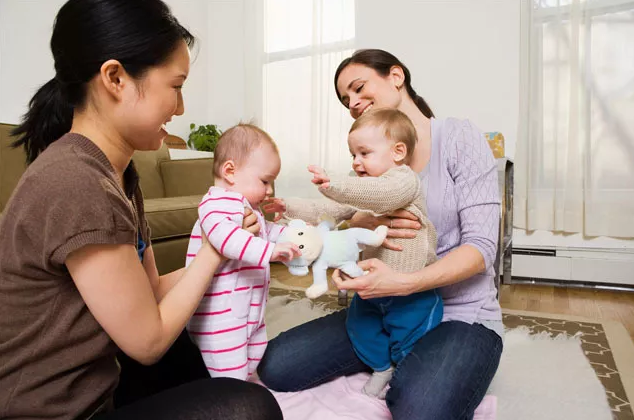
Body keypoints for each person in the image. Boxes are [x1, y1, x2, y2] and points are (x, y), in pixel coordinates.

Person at [0, 1, 282, 419]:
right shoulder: (75, 182)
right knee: (251, 407)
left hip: (102, 375)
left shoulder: (118, 174)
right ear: (115, 78)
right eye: (176, 86)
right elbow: (147, 342)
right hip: (52, 410)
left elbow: (148, 290)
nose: (181, 108)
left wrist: (237, 260)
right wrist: (213, 248)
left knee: (196, 352)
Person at [258, 49, 503, 419]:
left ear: (396, 76)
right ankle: (387, 353)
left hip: (460, 314)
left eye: (358, 88)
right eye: (345, 100)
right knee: (276, 364)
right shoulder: (369, 159)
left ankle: (416, 363)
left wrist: (405, 284)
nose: (353, 103)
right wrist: (350, 245)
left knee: (420, 408)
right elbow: (342, 223)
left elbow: (483, 248)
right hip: (382, 306)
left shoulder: (458, 137)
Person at [265, 108, 442, 398]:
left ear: (398, 152)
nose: (356, 162)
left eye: (364, 153)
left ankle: (403, 370)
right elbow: (330, 211)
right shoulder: (361, 192)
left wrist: (335, 184)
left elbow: (380, 194)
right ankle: (382, 366)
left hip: (411, 293)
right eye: (352, 155)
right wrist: (290, 208)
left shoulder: (404, 181)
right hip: (371, 288)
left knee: (412, 337)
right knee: (361, 327)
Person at [186, 124, 300, 380]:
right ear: (230, 172)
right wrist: (271, 251)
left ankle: (246, 387)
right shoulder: (215, 204)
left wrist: (296, 237)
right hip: (221, 318)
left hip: (249, 309)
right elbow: (227, 240)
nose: (270, 190)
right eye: (265, 181)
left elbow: (267, 231)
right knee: (230, 373)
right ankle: (234, 398)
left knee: (255, 353)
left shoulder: (247, 207)